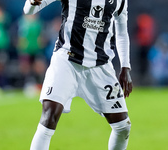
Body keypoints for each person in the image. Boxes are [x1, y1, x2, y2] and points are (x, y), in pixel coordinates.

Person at [23, 0, 133, 149]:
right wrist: (31, 2)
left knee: (123, 126)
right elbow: (29, 11)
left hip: (100, 66)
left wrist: (125, 67)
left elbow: (121, 32)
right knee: (49, 117)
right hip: (67, 61)